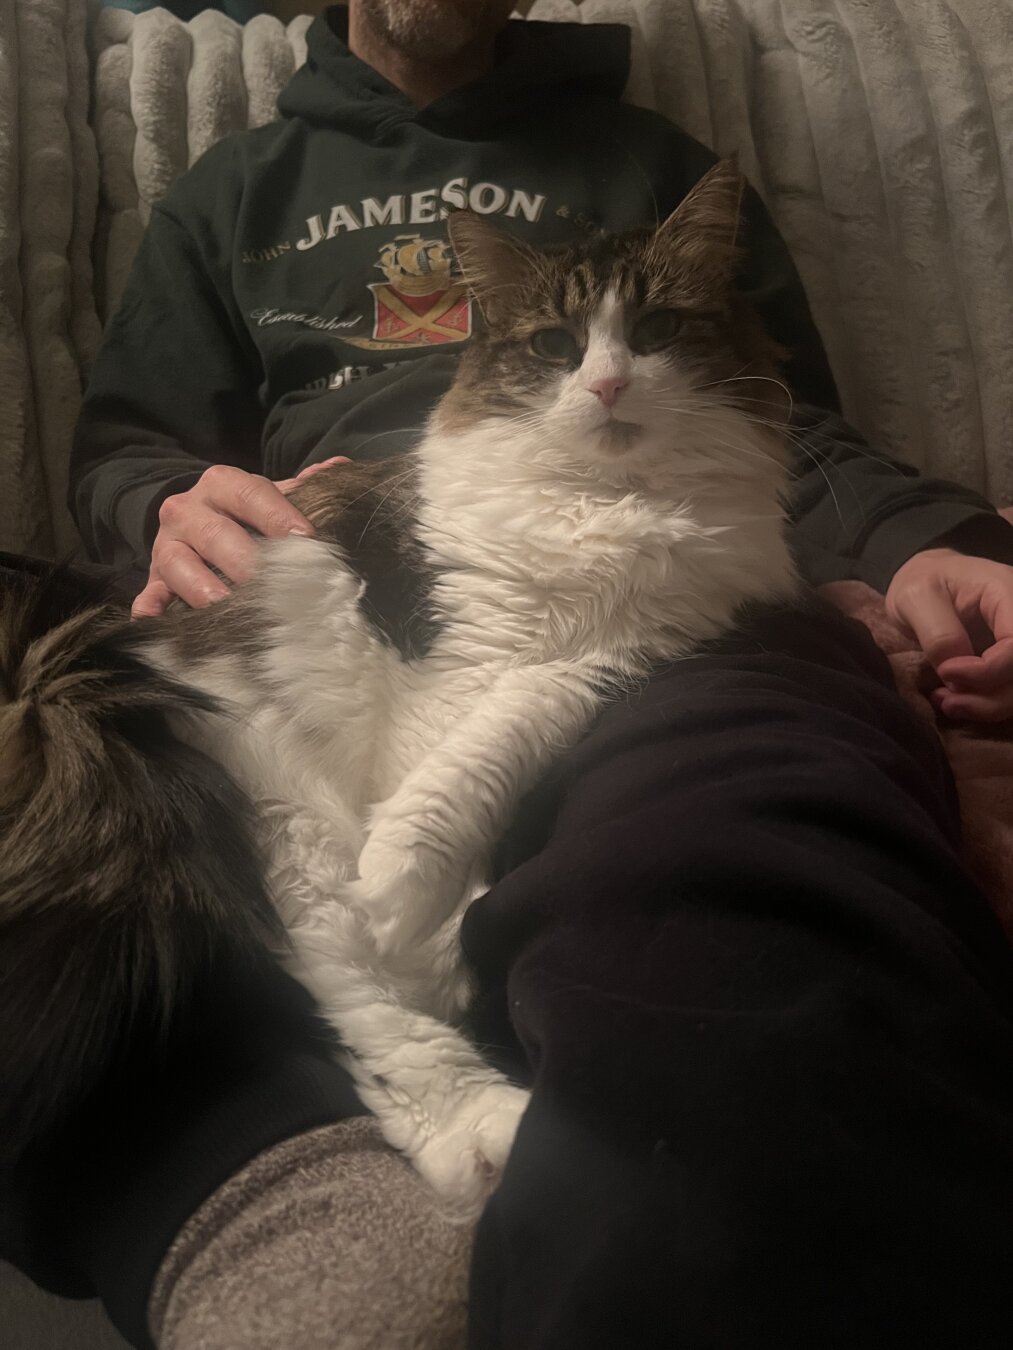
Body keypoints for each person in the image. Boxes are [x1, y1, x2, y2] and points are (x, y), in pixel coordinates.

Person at [4, 4, 1013, 1348]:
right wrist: (167, 501)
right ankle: (262, 1181)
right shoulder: (232, 189)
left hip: (662, 566)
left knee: (748, 810)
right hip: (316, 542)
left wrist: (928, 543)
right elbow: (124, 446)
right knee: (77, 744)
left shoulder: (652, 161)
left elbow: (783, 417)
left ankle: (703, 1200)